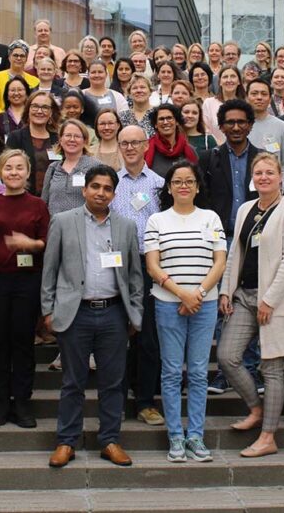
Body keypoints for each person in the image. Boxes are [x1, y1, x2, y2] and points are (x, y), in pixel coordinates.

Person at [42, 165, 144, 469]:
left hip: (113, 314)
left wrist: (134, 313)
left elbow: (135, 277)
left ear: (114, 193)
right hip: (76, 314)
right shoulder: (62, 222)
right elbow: (50, 269)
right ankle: (66, 441)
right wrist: (48, 310)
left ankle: (110, 440)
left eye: (107, 188)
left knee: (113, 383)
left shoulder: (126, 227)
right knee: (73, 381)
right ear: (84, 189)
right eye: (95, 186)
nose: (101, 193)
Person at [219, 152, 284, 458]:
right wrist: (226, 290)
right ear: (252, 178)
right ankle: (256, 408)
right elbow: (234, 254)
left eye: (270, 172)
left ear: (280, 177)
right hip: (245, 295)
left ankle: (268, 436)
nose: (264, 177)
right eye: (259, 173)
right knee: (227, 356)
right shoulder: (245, 209)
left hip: (276, 300)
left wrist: (270, 299)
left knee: (271, 367)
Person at [144, 161, 227, 462]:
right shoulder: (157, 220)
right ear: (169, 187)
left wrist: (199, 294)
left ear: (196, 186)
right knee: (170, 371)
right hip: (168, 303)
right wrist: (182, 294)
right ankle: (175, 437)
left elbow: (220, 261)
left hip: (204, 305)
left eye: (189, 181)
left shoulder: (211, 218)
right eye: (177, 181)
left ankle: (196, 435)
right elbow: (153, 265)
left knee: (198, 372)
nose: (183, 185)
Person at [198, 99, 265, 395]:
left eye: (241, 122)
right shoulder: (209, 158)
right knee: (219, 306)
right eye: (230, 123)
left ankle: (250, 369)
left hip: (255, 238)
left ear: (250, 124)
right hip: (220, 239)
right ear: (221, 126)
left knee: (249, 304)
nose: (236, 127)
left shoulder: (262, 159)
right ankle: (224, 372)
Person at [0, 149, 49, 428]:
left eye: (20, 168)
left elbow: (47, 240)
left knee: (22, 343)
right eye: (9, 168)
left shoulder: (38, 205)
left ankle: (22, 401)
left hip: (27, 280)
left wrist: (31, 245)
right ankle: (1, 401)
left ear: (28, 173)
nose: (14, 173)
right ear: (0, 171)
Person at [110, 126, 166, 427]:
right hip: (115, 264)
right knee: (117, 335)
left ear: (146, 145)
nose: (130, 147)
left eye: (135, 142)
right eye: (124, 143)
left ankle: (145, 401)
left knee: (148, 337)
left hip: (148, 264)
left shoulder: (159, 184)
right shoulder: (109, 183)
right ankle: (116, 399)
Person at [41, 119, 103, 215]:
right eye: (68, 135)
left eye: (77, 136)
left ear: (85, 141)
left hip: (85, 227)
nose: (72, 139)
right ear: (61, 139)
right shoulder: (52, 168)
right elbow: (44, 204)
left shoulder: (96, 167)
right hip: (56, 228)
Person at [6, 90, 61, 196]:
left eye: (45, 107)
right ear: (28, 110)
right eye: (35, 106)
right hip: (24, 198)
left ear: (51, 112)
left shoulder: (58, 139)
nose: (39, 111)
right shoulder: (16, 137)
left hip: (53, 198)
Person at [246, 78, 284, 182]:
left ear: (270, 98)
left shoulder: (281, 126)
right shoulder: (240, 126)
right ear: (247, 97)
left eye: (264, 94)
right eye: (254, 93)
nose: (259, 97)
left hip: (273, 189)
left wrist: (282, 187)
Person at [0, 40, 39, 118]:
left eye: (22, 56)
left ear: (26, 59)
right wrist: (7, 119)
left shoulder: (35, 81)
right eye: (15, 55)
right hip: (1, 124)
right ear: (9, 57)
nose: (19, 58)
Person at [146, 104, 198, 176]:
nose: (165, 122)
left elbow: (197, 178)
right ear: (155, 124)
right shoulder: (146, 149)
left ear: (176, 122)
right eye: (161, 119)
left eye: (169, 118)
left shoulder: (190, 150)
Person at [202, 66, 242, 144]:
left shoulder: (246, 104)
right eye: (225, 77)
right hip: (216, 149)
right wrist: (221, 145)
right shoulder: (209, 103)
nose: (229, 80)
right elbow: (206, 130)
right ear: (220, 82)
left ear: (239, 82)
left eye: (233, 76)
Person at [82, 60, 129, 125]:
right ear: (88, 75)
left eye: (100, 72)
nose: (97, 75)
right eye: (93, 72)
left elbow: (125, 120)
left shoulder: (117, 96)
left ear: (106, 74)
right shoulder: (81, 95)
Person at [0, 76, 30, 141]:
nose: (16, 93)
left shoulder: (33, 116)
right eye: (12, 90)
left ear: (27, 94)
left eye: (20, 90)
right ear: (7, 95)